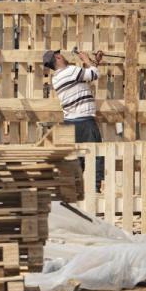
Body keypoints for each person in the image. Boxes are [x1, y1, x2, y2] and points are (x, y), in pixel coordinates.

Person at [44, 48, 105, 192]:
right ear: (58, 57)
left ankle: (76, 189)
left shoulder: (57, 79)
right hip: (85, 121)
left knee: (77, 159)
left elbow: (84, 78)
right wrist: (86, 60)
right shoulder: (71, 71)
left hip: (70, 122)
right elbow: (94, 74)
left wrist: (94, 62)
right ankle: (95, 189)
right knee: (96, 154)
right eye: (61, 55)